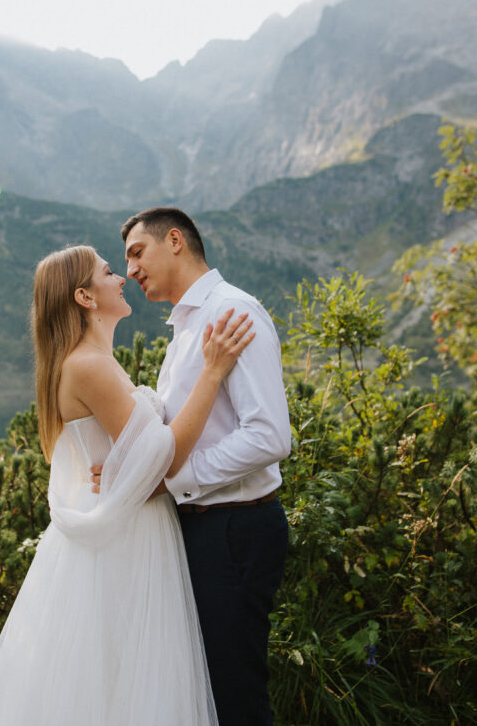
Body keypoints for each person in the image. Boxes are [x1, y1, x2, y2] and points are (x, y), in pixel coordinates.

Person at [0, 244, 255, 726]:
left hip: (127, 528)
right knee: (127, 678)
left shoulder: (93, 361)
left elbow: (145, 453)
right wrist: (213, 371)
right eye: (108, 271)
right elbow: (167, 455)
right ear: (85, 296)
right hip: (127, 540)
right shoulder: (88, 365)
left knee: (115, 680)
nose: (122, 278)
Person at [119, 207, 291, 726]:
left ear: (175, 240)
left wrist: (175, 481)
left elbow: (268, 436)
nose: (130, 270)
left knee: (236, 694)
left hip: (235, 530)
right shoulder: (187, 326)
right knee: (207, 691)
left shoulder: (232, 312)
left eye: (136, 252)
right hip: (202, 530)